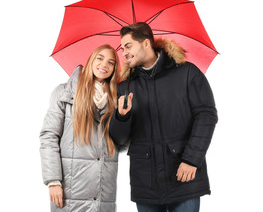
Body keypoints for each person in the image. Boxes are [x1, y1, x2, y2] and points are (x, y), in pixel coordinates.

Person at [109, 22, 218, 212]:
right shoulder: (125, 86)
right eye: (122, 48)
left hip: (183, 177)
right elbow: (119, 139)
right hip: (146, 183)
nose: (124, 52)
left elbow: (206, 115)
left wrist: (192, 159)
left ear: (145, 43)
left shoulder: (186, 73)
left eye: (128, 46)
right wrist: (121, 117)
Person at [40, 44, 120, 212]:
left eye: (111, 62)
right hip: (70, 192)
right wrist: (53, 181)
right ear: (91, 60)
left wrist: (124, 115)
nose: (104, 65)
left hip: (102, 195)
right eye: (100, 58)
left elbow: (123, 141)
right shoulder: (65, 93)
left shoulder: (116, 101)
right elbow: (49, 136)